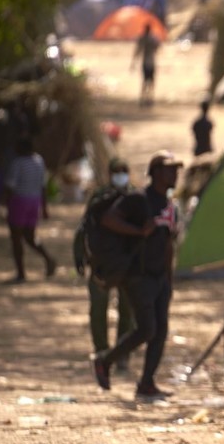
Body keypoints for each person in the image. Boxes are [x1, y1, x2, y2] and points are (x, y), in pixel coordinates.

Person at [92, 151, 183, 399]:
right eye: (169, 170)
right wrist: (138, 231)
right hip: (137, 275)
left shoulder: (170, 206)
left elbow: (168, 244)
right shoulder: (138, 199)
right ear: (155, 173)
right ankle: (105, 360)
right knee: (146, 329)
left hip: (159, 276)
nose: (175, 174)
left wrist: (169, 280)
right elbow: (108, 219)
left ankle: (146, 383)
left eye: (176, 170)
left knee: (160, 330)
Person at [73, 157, 136, 372]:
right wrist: (79, 256)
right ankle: (102, 349)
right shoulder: (99, 198)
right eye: (117, 172)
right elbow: (84, 228)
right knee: (98, 308)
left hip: (128, 264)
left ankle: (121, 352)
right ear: (110, 174)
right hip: (101, 263)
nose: (120, 176)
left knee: (128, 310)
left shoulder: (135, 198)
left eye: (123, 171)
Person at [4, 137, 56, 283]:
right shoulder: (38, 161)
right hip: (35, 202)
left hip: (19, 202)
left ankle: (21, 273)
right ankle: (48, 258)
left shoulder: (18, 163)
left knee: (16, 238)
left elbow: (10, 186)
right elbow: (43, 185)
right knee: (30, 237)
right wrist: (44, 207)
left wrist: (7, 205)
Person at [131, 24, 161, 108]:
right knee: (150, 81)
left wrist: (133, 63)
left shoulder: (143, 39)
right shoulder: (152, 39)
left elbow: (138, 51)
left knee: (145, 81)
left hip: (146, 62)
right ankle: (149, 97)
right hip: (151, 62)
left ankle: (144, 97)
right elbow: (158, 47)